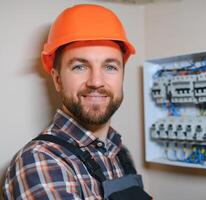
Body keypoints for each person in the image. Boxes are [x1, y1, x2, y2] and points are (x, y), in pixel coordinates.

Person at [2, 4, 151, 200]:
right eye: (80, 66)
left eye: (110, 67)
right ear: (57, 79)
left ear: (121, 76)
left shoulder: (119, 151)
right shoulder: (40, 161)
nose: (96, 81)